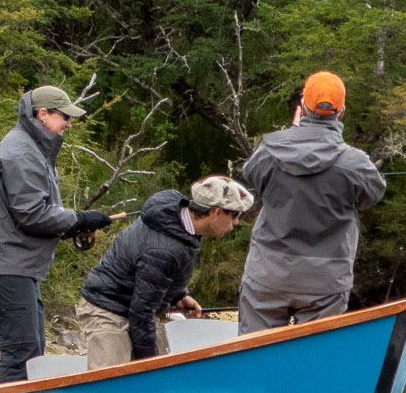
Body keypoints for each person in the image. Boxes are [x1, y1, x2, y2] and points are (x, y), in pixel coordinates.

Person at [0, 86, 117, 384]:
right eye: (64, 117)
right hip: (5, 266)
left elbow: (29, 216)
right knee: (22, 355)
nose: (69, 124)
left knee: (33, 356)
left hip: (16, 266)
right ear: (43, 115)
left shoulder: (32, 149)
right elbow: (32, 214)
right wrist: (79, 219)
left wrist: (74, 226)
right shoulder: (20, 151)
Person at [238, 70, 386, 334]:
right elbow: (371, 197)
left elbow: (254, 181)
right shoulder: (355, 164)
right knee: (316, 362)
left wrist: (295, 135)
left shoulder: (269, 151)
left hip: (267, 274)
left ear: (302, 107)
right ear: (342, 112)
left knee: (256, 359)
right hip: (326, 282)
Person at [76, 176, 254, 369]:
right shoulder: (164, 250)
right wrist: (151, 369)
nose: (236, 222)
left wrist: (178, 294)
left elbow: (155, 277)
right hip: (106, 307)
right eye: (235, 215)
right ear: (216, 212)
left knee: (163, 365)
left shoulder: (185, 222)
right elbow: (142, 312)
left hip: (137, 304)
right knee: (113, 381)